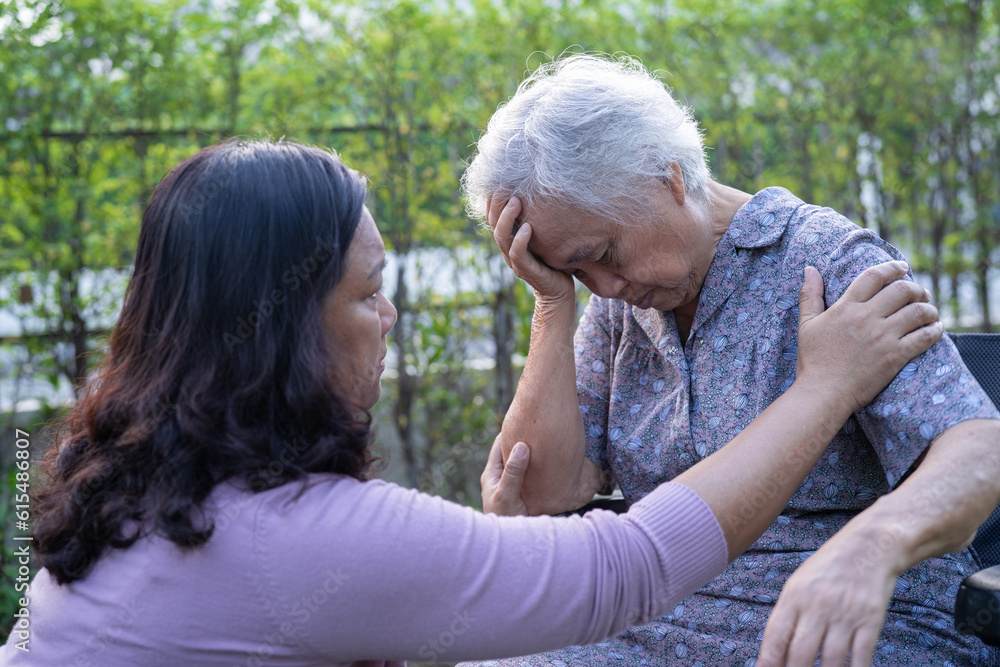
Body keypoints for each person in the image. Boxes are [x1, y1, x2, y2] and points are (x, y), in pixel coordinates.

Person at [1, 139, 939, 667]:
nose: (392, 312)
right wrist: (824, 387)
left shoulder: (128, 490)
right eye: (369, 292)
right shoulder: (301, 533)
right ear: (283, 327)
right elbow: (625, 568)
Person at [460, 53, 1000, 666]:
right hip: (662, 613)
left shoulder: (826, 260)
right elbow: (540, 497)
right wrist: (551, 302)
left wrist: (872, 546)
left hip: (843, 619)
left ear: (667, 177)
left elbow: (979, 446)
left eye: (603, 254)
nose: (603, 287)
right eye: (575, 270)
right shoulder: (619, 305)